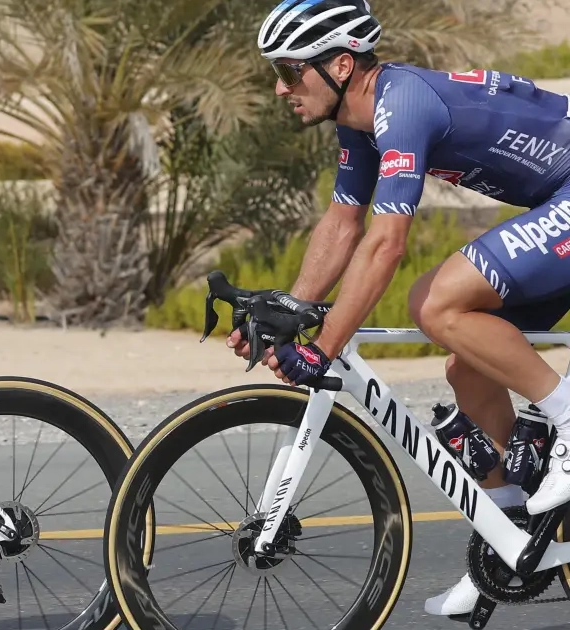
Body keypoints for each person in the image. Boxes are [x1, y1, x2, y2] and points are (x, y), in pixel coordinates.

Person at [244, 0, 570, 618]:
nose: (281, 88)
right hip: (558, 200)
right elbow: (343, 223)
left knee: (434, 302)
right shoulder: (359, 122)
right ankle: (513, 540)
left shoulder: (403, 103)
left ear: (341, 65)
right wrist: (287, 311)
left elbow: (386, 243)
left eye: (289, 71)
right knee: (470, 369)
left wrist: (324, 347)